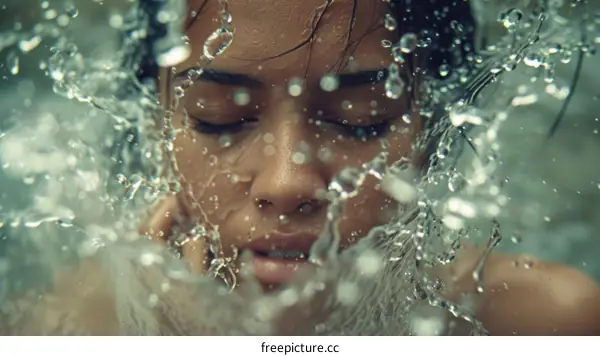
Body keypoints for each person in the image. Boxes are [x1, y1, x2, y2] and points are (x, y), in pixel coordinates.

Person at [3, 0, 600, 336]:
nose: (286, 183)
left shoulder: (548, 322)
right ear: (153, 127)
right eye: (217, 118)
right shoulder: (61, 329)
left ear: (437, 131)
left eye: (361, 120)